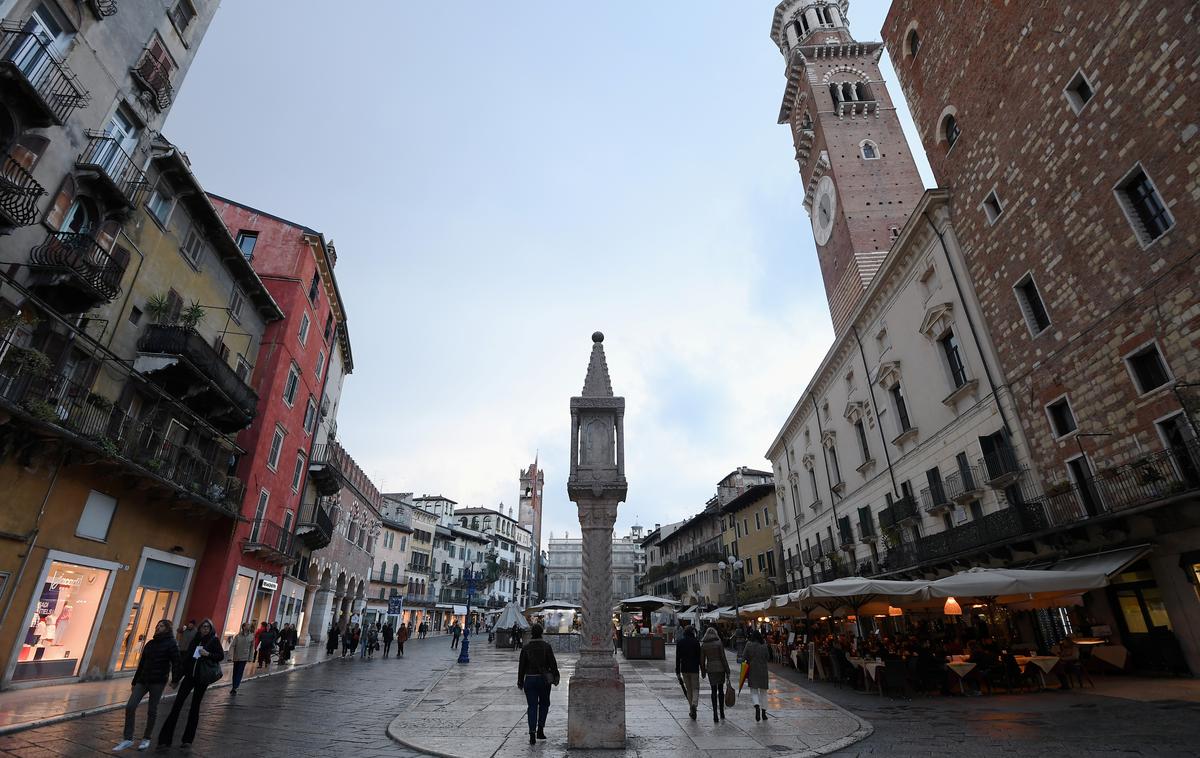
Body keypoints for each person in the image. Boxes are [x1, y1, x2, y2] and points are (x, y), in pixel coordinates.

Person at [113, 619, 180, 751]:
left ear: (167, 629)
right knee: (130, 706)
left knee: (152, 710)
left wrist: (175, 680)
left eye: (161, 626)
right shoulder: (150, 644)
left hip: (158, 681)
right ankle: (128, 738)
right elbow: (141, 665)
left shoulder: (172, 644)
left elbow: (177, 662)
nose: (157, 627)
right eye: (157, 625)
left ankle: (146, 738)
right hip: (143, 680)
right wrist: (134, 681)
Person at [157, 619, 223, 749]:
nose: (205, 629)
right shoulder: (195, 640)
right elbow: (186, 660)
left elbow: (220, 656)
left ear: (211, 629)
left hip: (202, 678)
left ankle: (187, 740)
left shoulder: (214, 641)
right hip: (189, 677)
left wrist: (208, 654)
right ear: (200, 628)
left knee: (195, 707)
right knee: (177, 705)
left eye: (207, 627)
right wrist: (176, 679)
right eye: (203, 626)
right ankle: (165, 739)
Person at [517, 624, 559, 745]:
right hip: (544, 680)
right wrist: (556, 676)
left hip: (529, 679)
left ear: (532, 634)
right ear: (542, 633)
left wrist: (520, 680)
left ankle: (532, 734)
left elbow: (521, 667)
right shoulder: (547, 647)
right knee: (544, 704)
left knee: (532, 706)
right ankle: (540, 730)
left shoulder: (525, 648)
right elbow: (553, 664)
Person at [699, 626, 730, 723]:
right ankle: (722, 712)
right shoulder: (719, 643)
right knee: (720, 690)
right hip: (720, 668)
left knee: (713, 690)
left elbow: (702, 660)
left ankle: (715, 714)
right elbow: (723, 657)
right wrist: (727, 670)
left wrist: (703, 671)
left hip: (711, 669)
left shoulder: (704, 645)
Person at [743, 630, 771, 722]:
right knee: (764, 692)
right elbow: (768, 657)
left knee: (754, 691)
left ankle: (757, 706)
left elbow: (744, 657)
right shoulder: (764, 645)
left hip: (752, 670)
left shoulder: (748, 644)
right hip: (763, 670)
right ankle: (764, 713)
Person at [675, 625, 702, 720]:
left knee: (689, 689)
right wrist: (702, 669)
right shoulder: (696, 642)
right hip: (694, 669)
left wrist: (677, 671)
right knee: (695, 688)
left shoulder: (680, 642)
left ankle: (691, 709)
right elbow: (700, 658)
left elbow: (678, 658)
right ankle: (694, 704)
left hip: (684, 669)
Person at [229, 622, 254, 695]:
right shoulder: (238, 636)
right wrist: (230, 656)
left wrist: (250, 658)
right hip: (236, 657)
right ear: (243, 627)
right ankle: (234, 685)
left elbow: (252, 647)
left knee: (239, 672)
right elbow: (232, 646)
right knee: (235, 672)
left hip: (244, 657)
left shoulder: (251, 636)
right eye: (247, 625)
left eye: (249, 625)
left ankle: (235, 687)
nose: (249, 626)